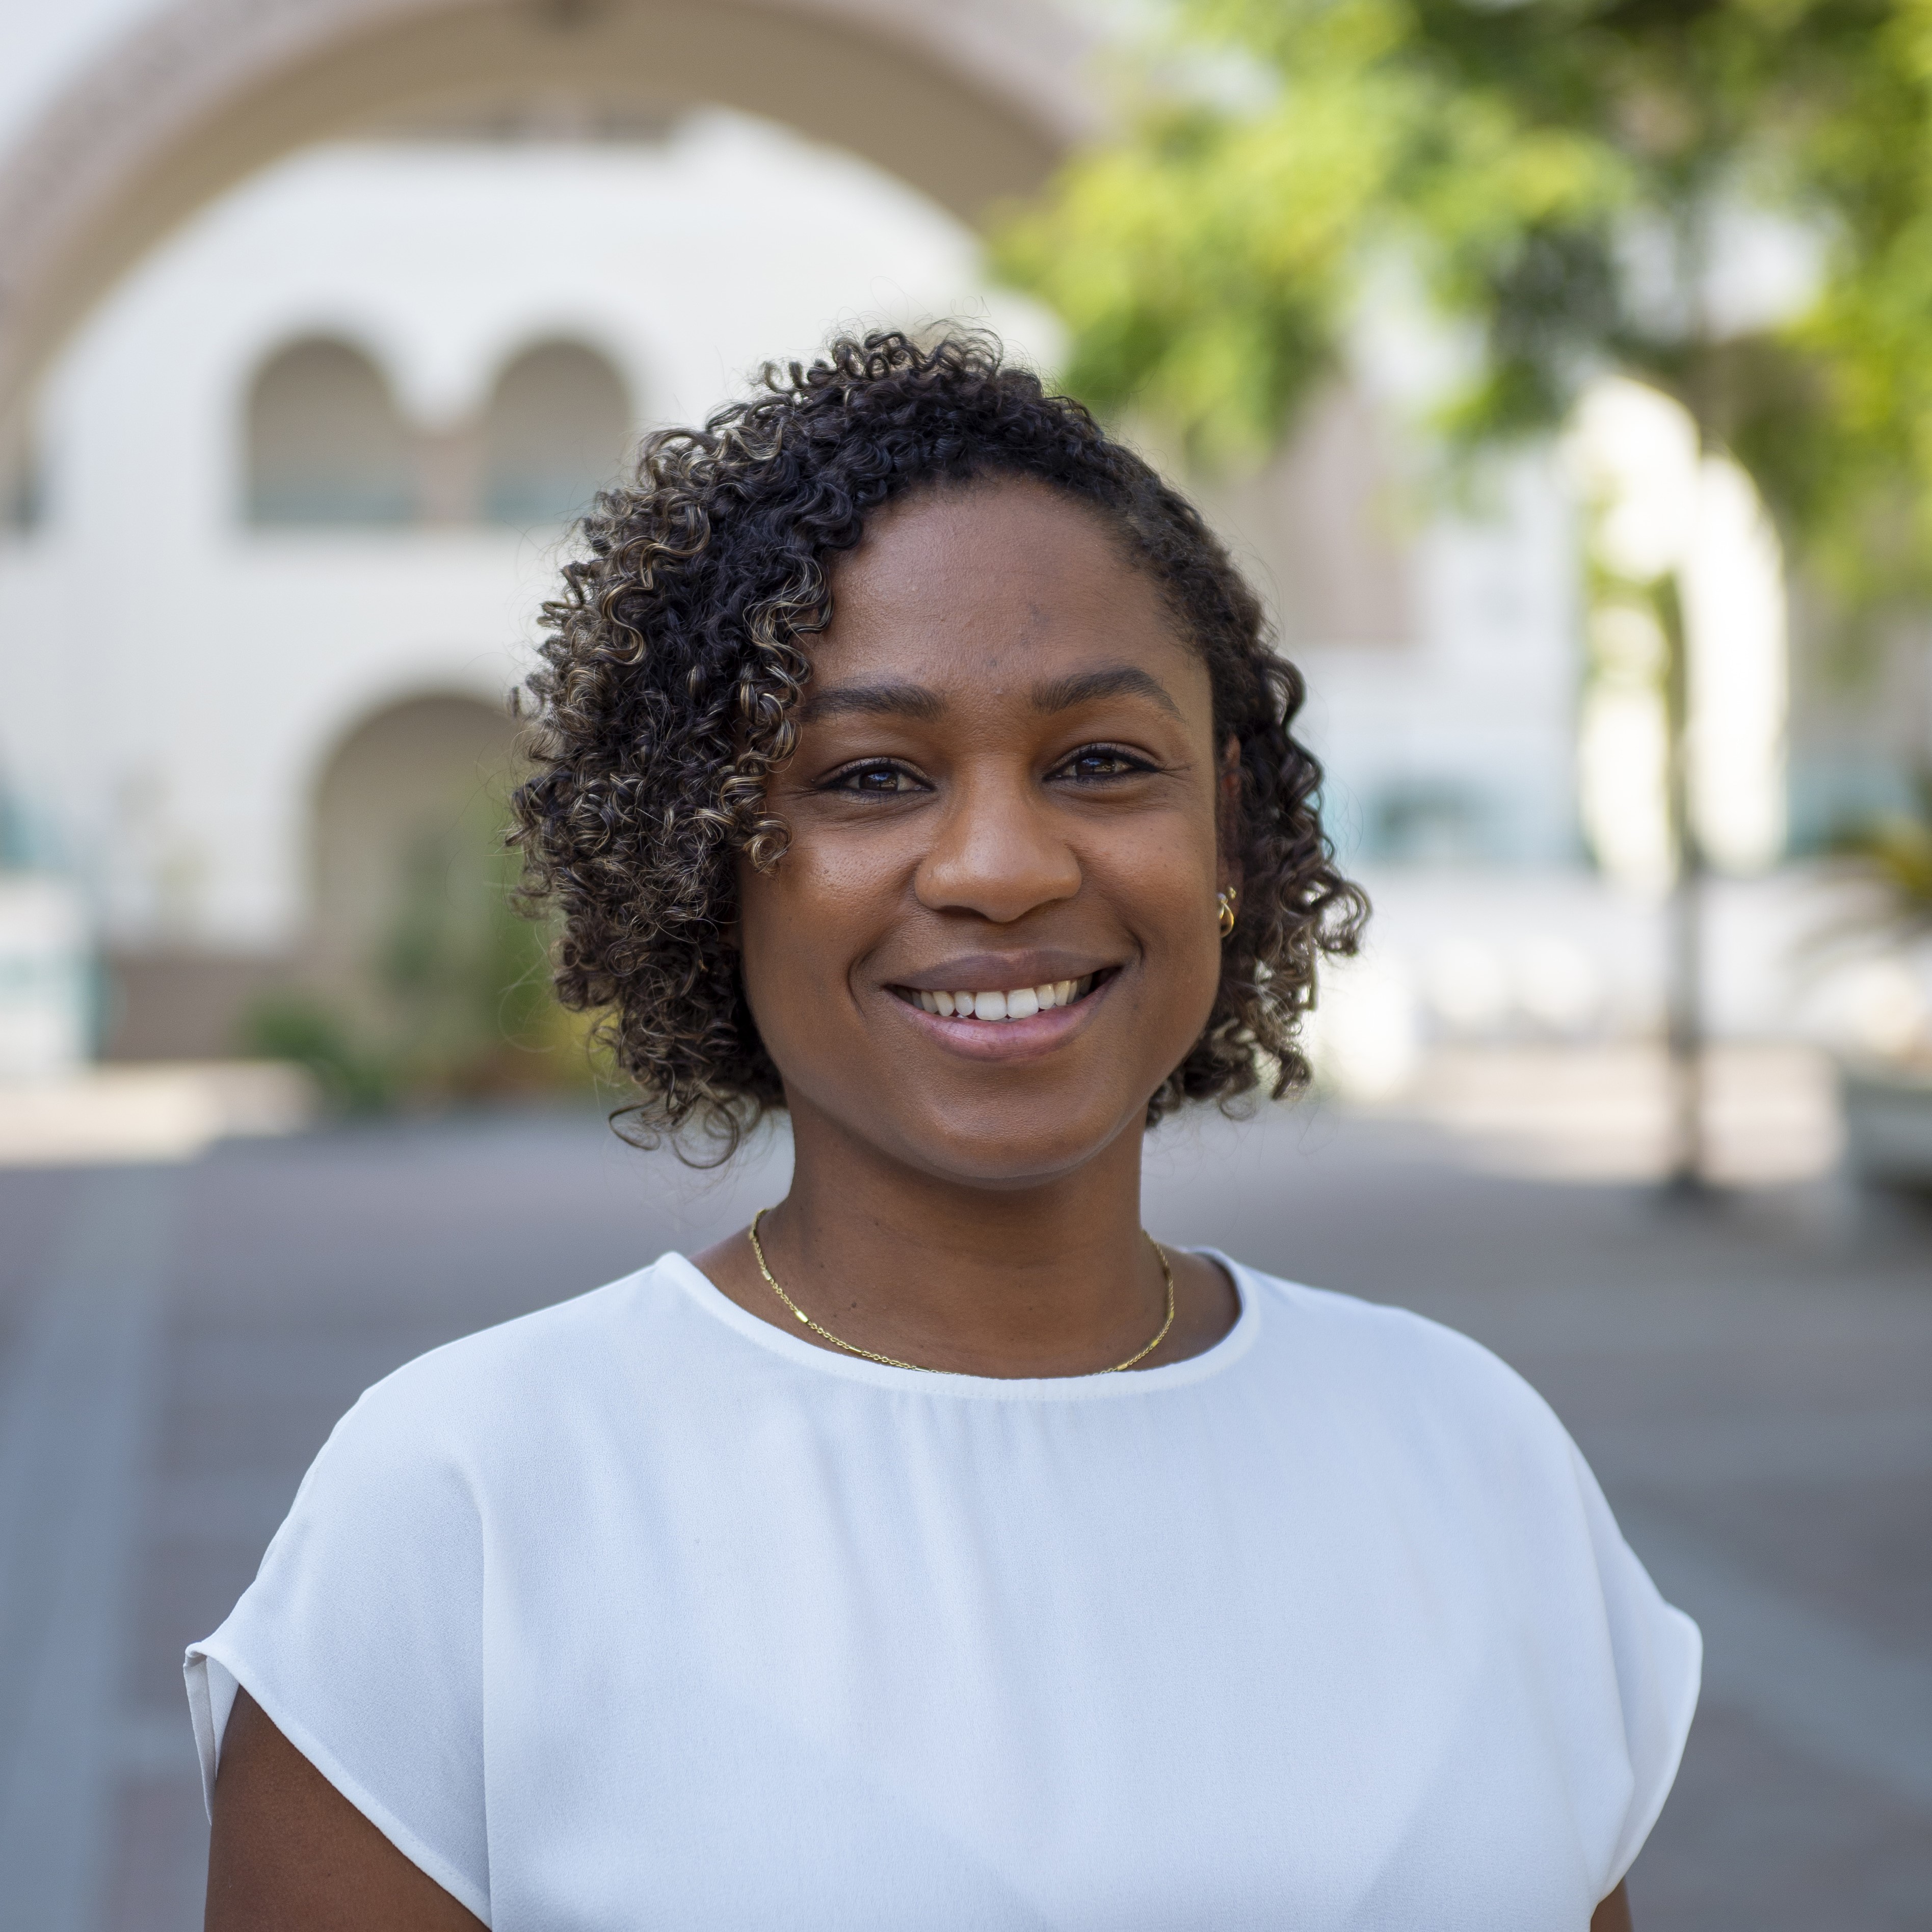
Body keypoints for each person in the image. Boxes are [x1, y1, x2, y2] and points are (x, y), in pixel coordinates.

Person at [189, 332, 1698, 1930]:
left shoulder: (1473, 1456)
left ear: (1228, 817)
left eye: (1104, 762)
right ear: (715, 850)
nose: (1000, 864)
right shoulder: (470, 1503)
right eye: (874, 776)